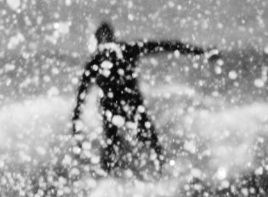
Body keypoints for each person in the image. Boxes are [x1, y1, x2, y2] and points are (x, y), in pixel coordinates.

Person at [71, 21, 213, 174]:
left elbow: (164, 46)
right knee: (139, 142)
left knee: (131, 143)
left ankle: (123, 175)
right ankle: (153, 171)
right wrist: (201, 52)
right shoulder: (110, 55)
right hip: (123, 106)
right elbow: (165, 46)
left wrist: (200, 52)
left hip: (123, 107)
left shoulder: (105, 57)